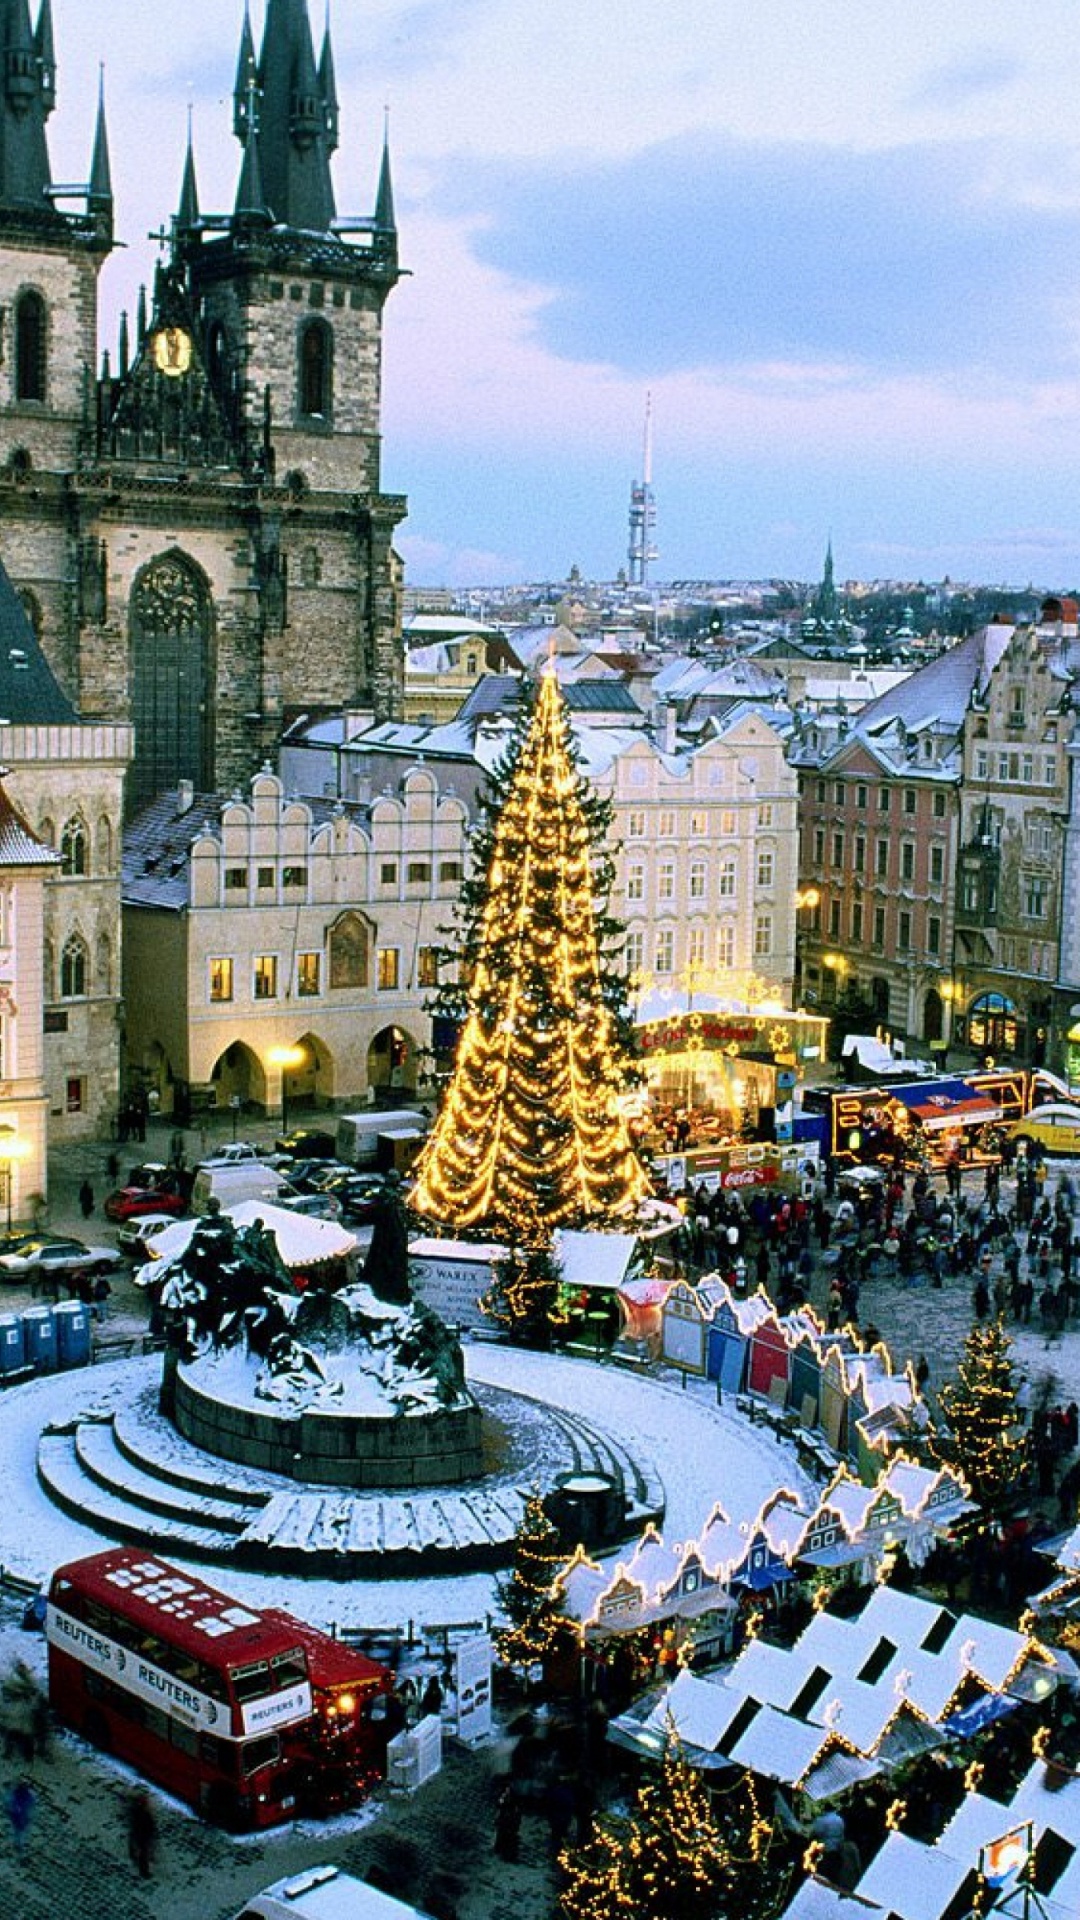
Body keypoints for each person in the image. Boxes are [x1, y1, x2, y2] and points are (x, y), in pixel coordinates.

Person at [127, 1785, 157, 1879]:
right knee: (144, 1851)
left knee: (143, 1850)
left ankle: (142, 1866)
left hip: (142, 1833)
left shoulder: (137, 1811)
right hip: (143, 1833)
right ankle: (144, 1870)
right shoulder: (140, 1812)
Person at [6, 1778, 34, 1860]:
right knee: (19, 1831)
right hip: (19, 1815)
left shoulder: (21, 1794)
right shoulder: (23, 1794)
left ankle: (18, 1847)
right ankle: (19, 1847)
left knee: (19, 1831)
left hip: (20, 1815)